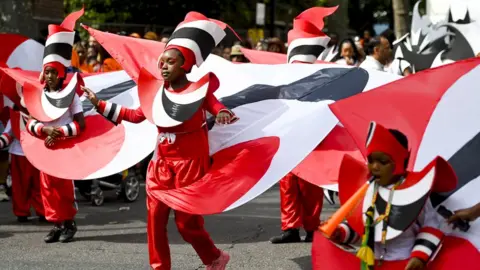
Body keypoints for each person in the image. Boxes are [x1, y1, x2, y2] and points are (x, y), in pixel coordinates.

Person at [83, 12, 237, 270]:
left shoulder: (200, 89)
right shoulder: (155, 92)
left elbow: (216, 105)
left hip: (190, 164)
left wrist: (222, 113)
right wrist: (98, 103)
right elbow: (133, 115)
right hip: (161, 164)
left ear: (184, 65)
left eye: (170, 62)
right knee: (154, 221)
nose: (163, 66)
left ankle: (214, 257)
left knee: (186, 224)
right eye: (161, 62)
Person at [314, 121, 457, 270]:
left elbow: (431, 225)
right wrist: (342, 232)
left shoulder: (416, 190)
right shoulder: (368, 189)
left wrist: (419, 257)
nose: (375, 167)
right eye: (371, 160)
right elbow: (362, 225)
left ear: (401, 161)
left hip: (405, 263)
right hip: (371, 263)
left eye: (383, 162)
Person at [26, 7, 85, 243]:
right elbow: (30, 122)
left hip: (66, 146)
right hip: (45, 145)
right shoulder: (39, 95)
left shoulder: (73, 96)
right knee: (47, 188)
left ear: (61, 74)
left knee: (63, 188)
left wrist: (59, 132)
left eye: (52, 72)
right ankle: (56, 224)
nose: (48, 76)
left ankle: (69, 223)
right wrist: (44, 130)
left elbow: (80, 124)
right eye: (46, 72)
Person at [270, 16, 327, 244]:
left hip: (311, 138)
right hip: (288, 138)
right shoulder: (282, 79)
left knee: (310, 185)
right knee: (288, 183)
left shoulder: (321, 80)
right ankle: (291, 228)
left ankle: (312, 228)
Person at [1, 107, 45, 222]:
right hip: (18, 153)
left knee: (39, 185)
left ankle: (43, 211)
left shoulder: (43, 112)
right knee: (20, 186)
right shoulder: (15, 115)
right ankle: (21, 212)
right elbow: (8, 134)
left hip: (38, 153)